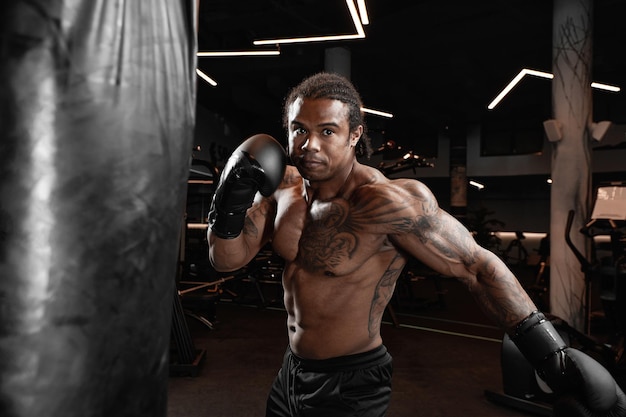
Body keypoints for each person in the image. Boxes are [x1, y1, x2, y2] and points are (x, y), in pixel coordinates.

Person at [207, 72, 625, 417]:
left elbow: (477, 267)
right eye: (299, 130)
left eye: (327, 131)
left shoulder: (386, 202)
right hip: (291, 373)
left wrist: (550, 355)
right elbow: (227, 260)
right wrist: (228, 202)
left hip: (350, 383)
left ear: (355, 135)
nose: (309, 145)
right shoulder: (285, 186)